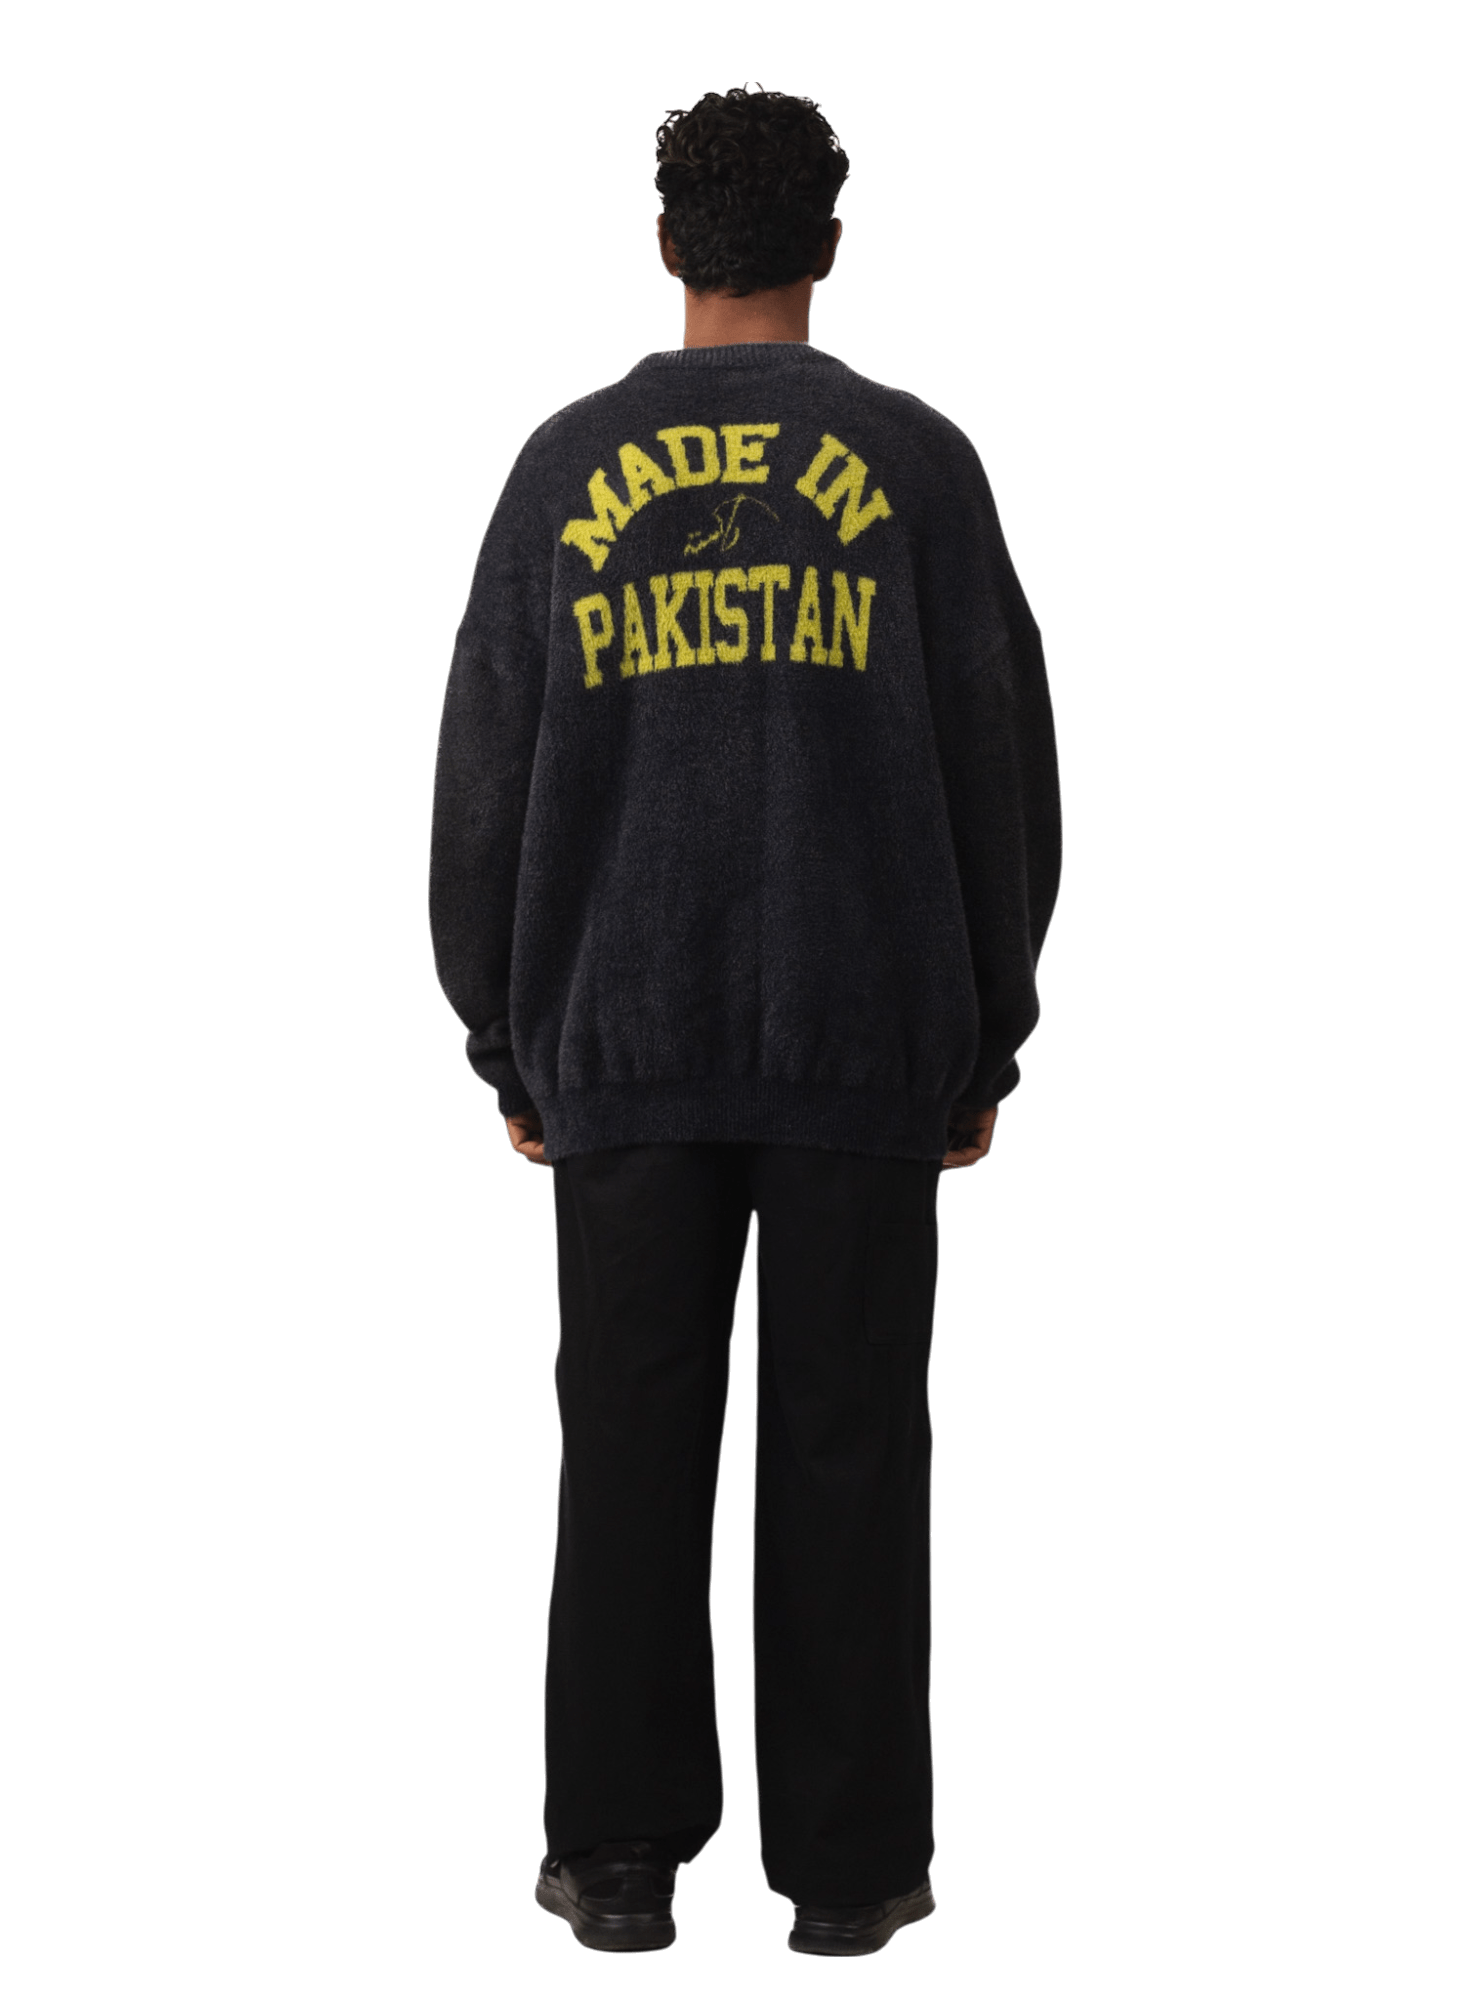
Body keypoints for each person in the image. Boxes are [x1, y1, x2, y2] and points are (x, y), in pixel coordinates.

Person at [427, 82, 1062, 1958]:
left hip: (618, 1040)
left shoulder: (564, 465)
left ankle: (618, 1863)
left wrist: (501, 1036)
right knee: (852, 1447)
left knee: (625, 1450)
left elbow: (482, 766)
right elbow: (1003, 768)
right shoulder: (920, 464)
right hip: (865, 1036)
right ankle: (853, 1875)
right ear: (833, 245)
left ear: (663, 240)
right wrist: (987, 1033)